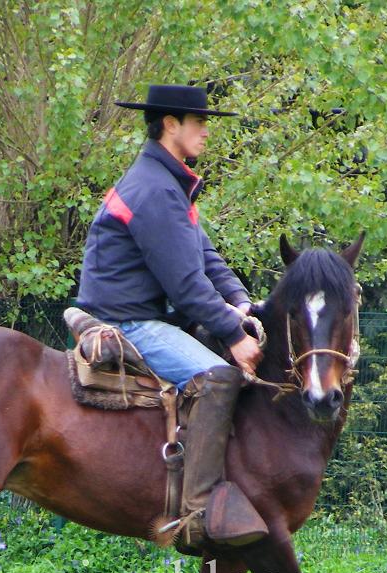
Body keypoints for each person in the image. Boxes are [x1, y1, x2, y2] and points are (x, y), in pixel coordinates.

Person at [76, 83, 267, 547]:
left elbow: (206, 258)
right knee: (220, 376)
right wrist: (234, 336)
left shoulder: (167, 183)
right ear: (170, 125)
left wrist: (241, 304)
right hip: (128, 322)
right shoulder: (155, 189)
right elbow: (184, 286)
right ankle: (197, 511)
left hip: (146, 316)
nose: (206, 132)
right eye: (199, 123)